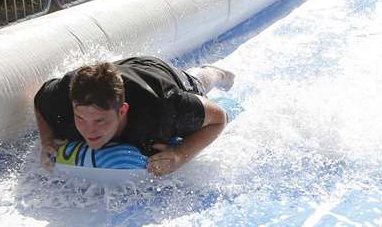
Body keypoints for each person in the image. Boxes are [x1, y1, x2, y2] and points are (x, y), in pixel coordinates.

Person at [33, 57, 233, 177]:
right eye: (81, 119)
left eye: (100, 121)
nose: (89, 130)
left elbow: (219, 118)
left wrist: (180, 154)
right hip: (119, 71)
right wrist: (47, 139)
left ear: (122, 111)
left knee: (199, 83)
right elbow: (39, 100)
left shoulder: (164, 108)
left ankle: (215, 73)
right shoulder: (63, 99)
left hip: (157, 74)